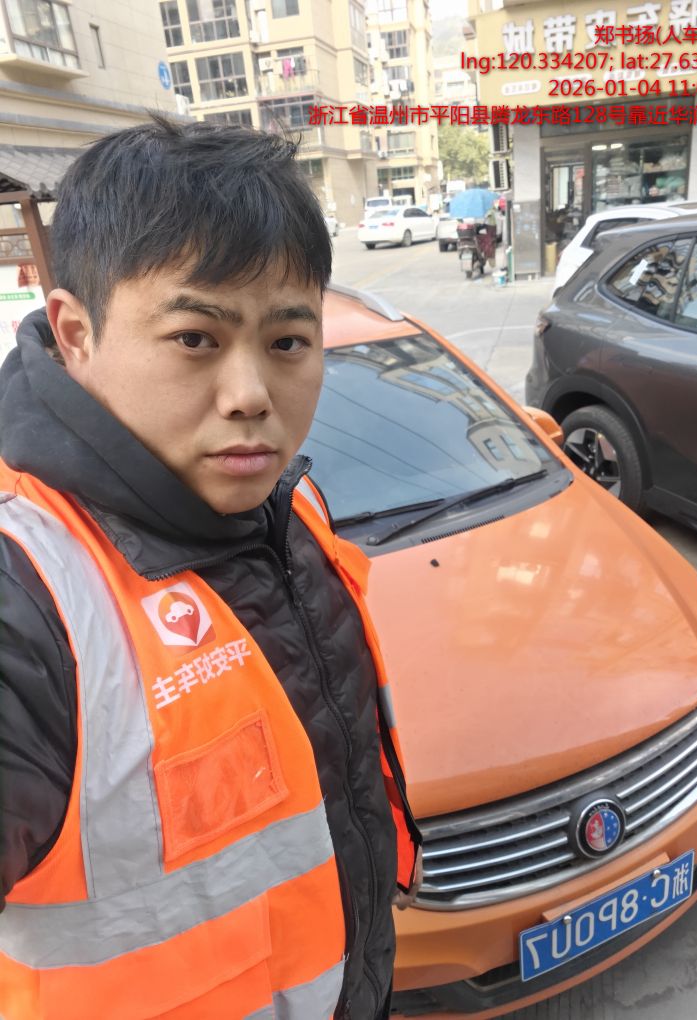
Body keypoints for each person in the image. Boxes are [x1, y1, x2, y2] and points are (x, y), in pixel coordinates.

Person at [0, 117, 421, 1020]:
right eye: (196, 338)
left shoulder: (284, 507)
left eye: (288, 342)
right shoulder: (27, 595)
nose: (250, 396)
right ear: (75, 333)